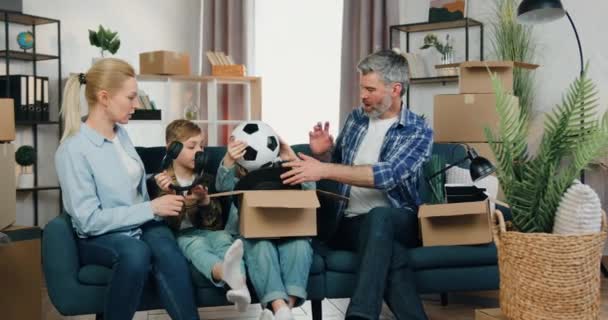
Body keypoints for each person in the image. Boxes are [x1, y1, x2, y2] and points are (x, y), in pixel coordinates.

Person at [281, 49, 433, 320]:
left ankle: (360, 315)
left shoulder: (418, 131)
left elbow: (388, 175)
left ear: (395, 89)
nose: (363, 95)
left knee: (381, 216)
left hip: (400, 221)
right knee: (391, 255)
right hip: (350, 224)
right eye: (362, 88)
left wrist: (323, 167)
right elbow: (340, 169)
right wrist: (323, 153)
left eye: (370, 89)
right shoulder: (356, 120)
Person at [55, 58, 200, 320]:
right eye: (131, 97)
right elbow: (88, 221)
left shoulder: (121, 134)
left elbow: (125, 189)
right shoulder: (73, 150)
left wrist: (153, 184)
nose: (136, 105)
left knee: (169, 253)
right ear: (104, 97)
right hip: (99, 235)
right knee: (135, 253)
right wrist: (150, 207)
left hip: (140, 224)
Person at [154, 119, 251, 312]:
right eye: (192, 146)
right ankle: (224, 273)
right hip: (183, 235)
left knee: (225, 238)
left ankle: (241, 288)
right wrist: (176, 198)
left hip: (207, 231)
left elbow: (215, 225)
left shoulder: (204, 178)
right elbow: (169, 224)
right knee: (197, 246)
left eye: (201, 146)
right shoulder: (161, 181)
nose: (199, 151)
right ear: (172, 148)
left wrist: (205, 201)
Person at [216, 135, 314, 320]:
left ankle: (283, 310)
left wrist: (293, 160)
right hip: (254, 237)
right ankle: (281, 309)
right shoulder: (239, 181)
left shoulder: (285, 175)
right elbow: (222, 186)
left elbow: (309, 193)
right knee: (261, 247)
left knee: (300, 245)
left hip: (289, 231)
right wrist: (229, 160)